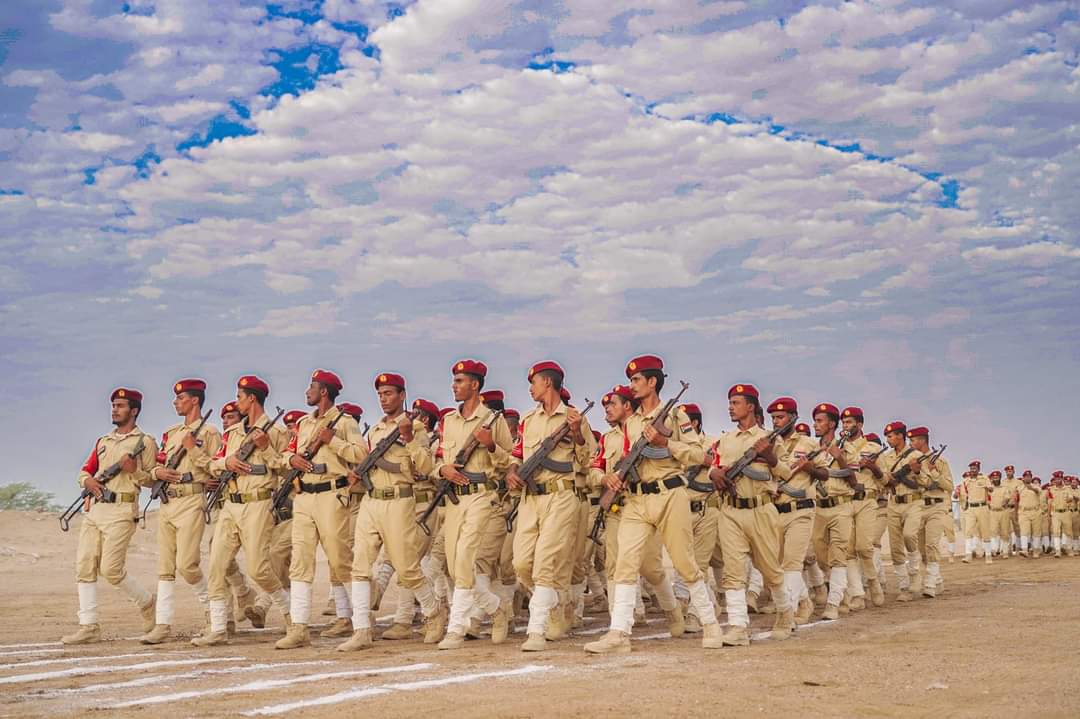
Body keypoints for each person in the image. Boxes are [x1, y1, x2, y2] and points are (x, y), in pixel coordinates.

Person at [585, 356, 720, 654]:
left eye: (636, 380)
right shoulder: (630, 423)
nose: (632, 385)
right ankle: (619, 632)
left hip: (669, 494)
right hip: (636, 500)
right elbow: (622, 461)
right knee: (625, 564)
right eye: (631, 380)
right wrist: (613, 478)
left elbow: (700, 455)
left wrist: (665, 443)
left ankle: (710, 624)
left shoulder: (675, 416)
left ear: (652, 382)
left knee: (684, 563)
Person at [193, 375, 290, 646]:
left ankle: (291, 615)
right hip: (230, 505)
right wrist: (227, 462)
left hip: (258, 504)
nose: (237, 402)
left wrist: (266, 448)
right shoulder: (232, 433)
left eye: (240, 397)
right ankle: (218, 628)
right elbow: (214, 463)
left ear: (252, 399)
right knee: (217, 566)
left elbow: (286, 468)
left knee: (259, 569)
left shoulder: (277, 432)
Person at [63, 388, 159, 645]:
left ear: (134, 411)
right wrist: (87, 481)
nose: (115, 409)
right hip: (96, 510)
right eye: (114, 405)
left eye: (120, 406)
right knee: (84, 566)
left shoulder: (145, 442)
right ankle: (89, 626)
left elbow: (153, 479)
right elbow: (86, 470)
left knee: (111, 569)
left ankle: (146, 602)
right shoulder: (103, 441)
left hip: (122, 510)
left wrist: (134, 470)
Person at [432, 360, 514, 650]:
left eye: (460, 381)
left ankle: (456, 628)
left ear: (475, 385)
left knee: (466, 557)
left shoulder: (492, 419)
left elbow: (510, 461)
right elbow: (437, 461)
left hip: (482, 495)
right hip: (455, 499)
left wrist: (490, 445)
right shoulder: (449, 421)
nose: (454, 386)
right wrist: (442, 470)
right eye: (454, 381)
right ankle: (496, 609)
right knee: (456, 568)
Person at [142, 379, 223, 644]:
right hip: (168, 502)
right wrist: (158, 472)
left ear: (195, 400)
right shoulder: (171, 433)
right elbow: (158, 463)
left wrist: (194, 451)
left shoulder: (210, 432)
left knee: (187, 565)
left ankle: (213, 612)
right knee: (165, 567)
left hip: (191, 499)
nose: (176, 402)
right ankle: (162, 624)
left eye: (181, 398)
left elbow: (216, 466)